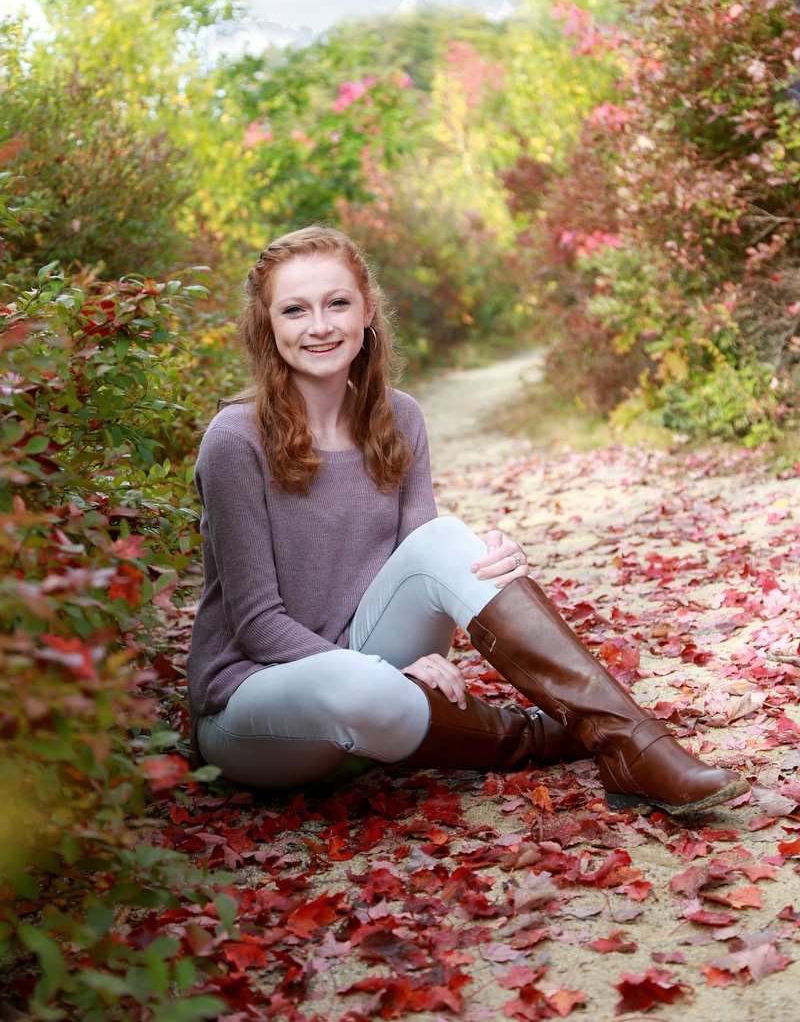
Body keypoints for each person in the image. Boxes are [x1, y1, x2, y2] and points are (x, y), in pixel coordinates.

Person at [186, 224, 747, 816]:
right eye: (295, 309)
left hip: (377, 690)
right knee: (356, 685)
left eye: (338, 303)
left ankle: (632, 746)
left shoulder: (399, 418)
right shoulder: (235, 439)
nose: (320, 326)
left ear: (368, 310)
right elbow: (258, 626)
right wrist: (381, 669)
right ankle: (534, 735)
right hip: (257, 709)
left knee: (446, 539)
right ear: (268, 324)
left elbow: (423, 560)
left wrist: (489, 564)